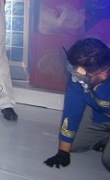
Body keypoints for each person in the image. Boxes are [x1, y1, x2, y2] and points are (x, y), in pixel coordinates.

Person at [44, 38, 110, 171]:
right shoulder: (81, 74)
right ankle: (104, 138)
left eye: (83, 77)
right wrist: (63, 152)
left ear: (103, 73)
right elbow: (72, 109)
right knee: (72, 145)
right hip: (101, 116)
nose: (75, 79)